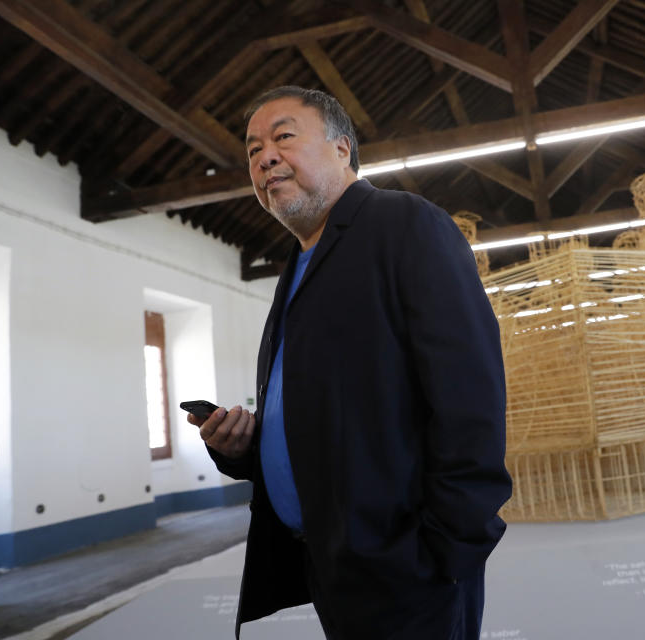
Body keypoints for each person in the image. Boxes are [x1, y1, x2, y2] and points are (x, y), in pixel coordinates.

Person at [187, 86, 512, 640]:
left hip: (407, 567)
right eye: (252, 150)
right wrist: (247, 449)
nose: (264, 157)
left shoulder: (403, 224)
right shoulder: (299, 266)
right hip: (331, 562)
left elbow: (471, 397)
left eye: (284, 136)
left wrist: (446, 549)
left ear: (343, 149)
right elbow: (332, 411)